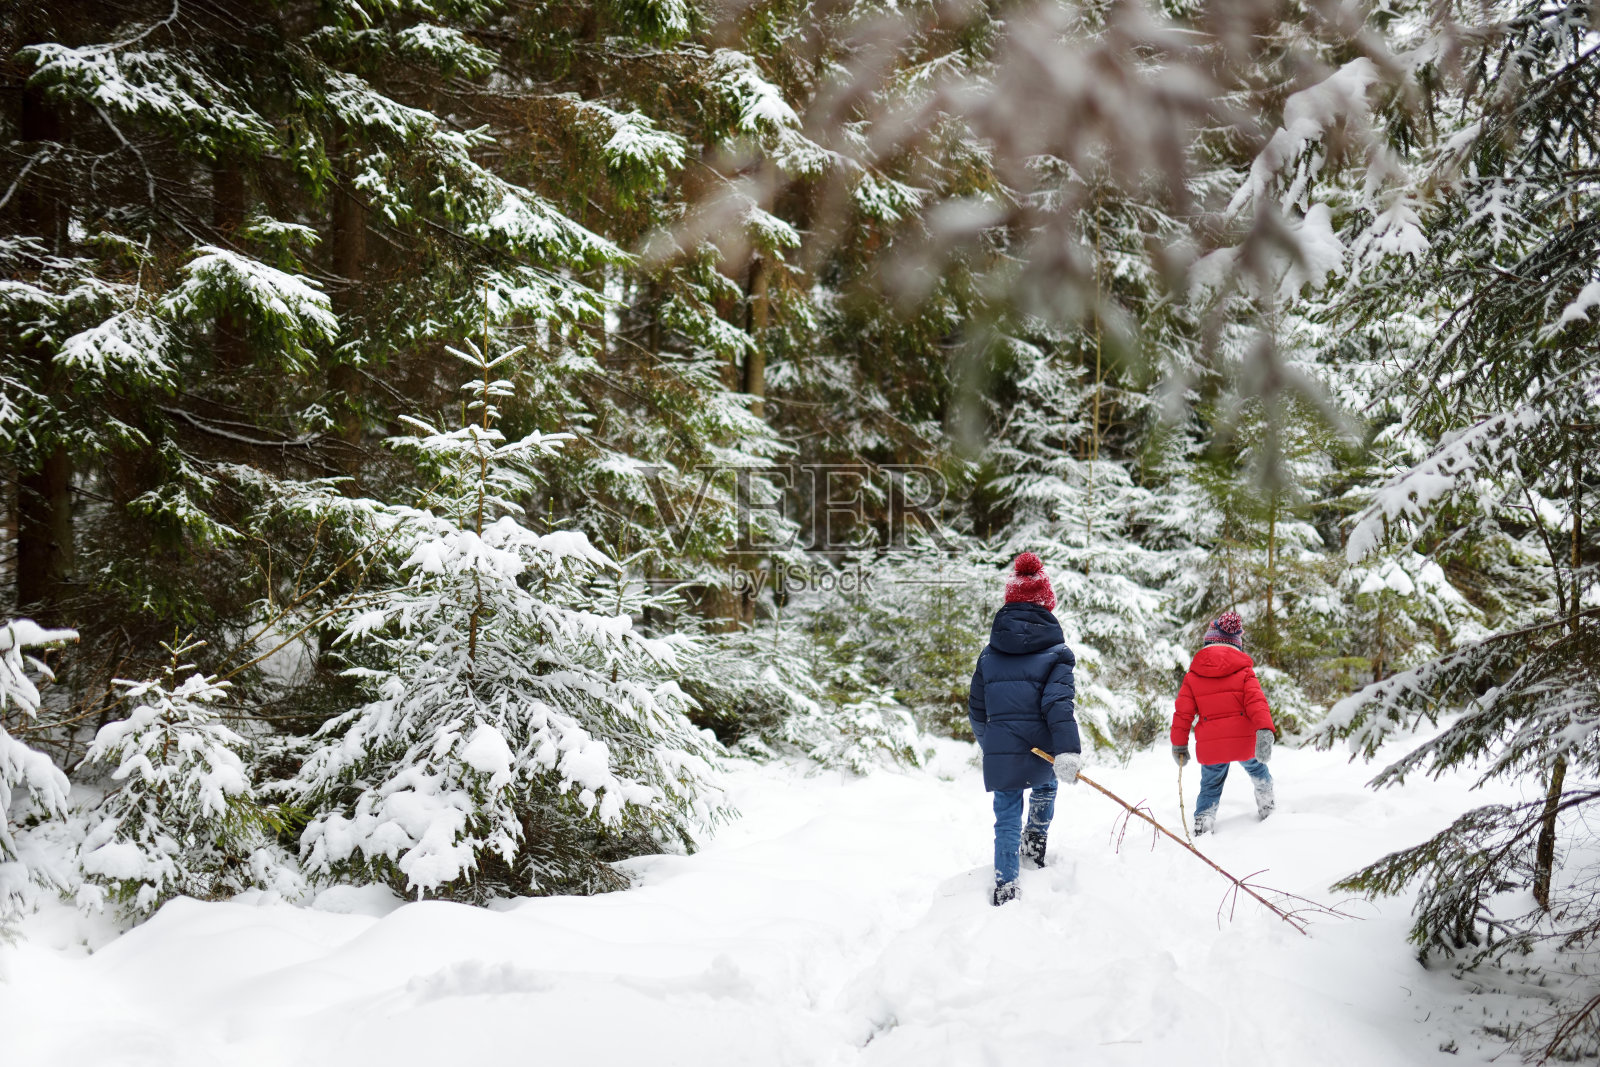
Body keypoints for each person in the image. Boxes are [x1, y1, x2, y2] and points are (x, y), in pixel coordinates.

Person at [968, 552, 1082, 906]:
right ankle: (1034, 841)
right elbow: (1057, 706)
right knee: (1045, 788)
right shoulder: (1057, 654)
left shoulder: (990, 654)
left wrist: (991, 744)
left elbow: (976, 707)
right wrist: (1066, 751)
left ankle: (1006, 883)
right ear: (1047, 604)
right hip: (1042, 749)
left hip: (1002, 748)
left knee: (1005, 815)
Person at [1169, 611, 1276, 835]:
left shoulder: (1193, 675)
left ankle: (1204, 820)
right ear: (1236, 644)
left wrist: (1179, 744)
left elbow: (1183, 714)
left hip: (1212, 745)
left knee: (1210, 785)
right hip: (1244, 742)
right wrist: (1264, 731)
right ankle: (1266, 802)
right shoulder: (1245, 671)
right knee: (1258, 769)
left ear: (1209, 641)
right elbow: (1258, 703)